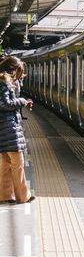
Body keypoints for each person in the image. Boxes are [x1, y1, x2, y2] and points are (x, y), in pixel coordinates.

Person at [0, 56, 35, 204]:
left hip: (4, 127)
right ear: (12, 70)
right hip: (9, 127)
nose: (19, 76)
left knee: (5, 163)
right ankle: (23, 196)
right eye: (18, 73)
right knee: (18, 163)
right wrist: (22, 101)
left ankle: (5, 195)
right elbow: (4, 103)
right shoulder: (4, 82)